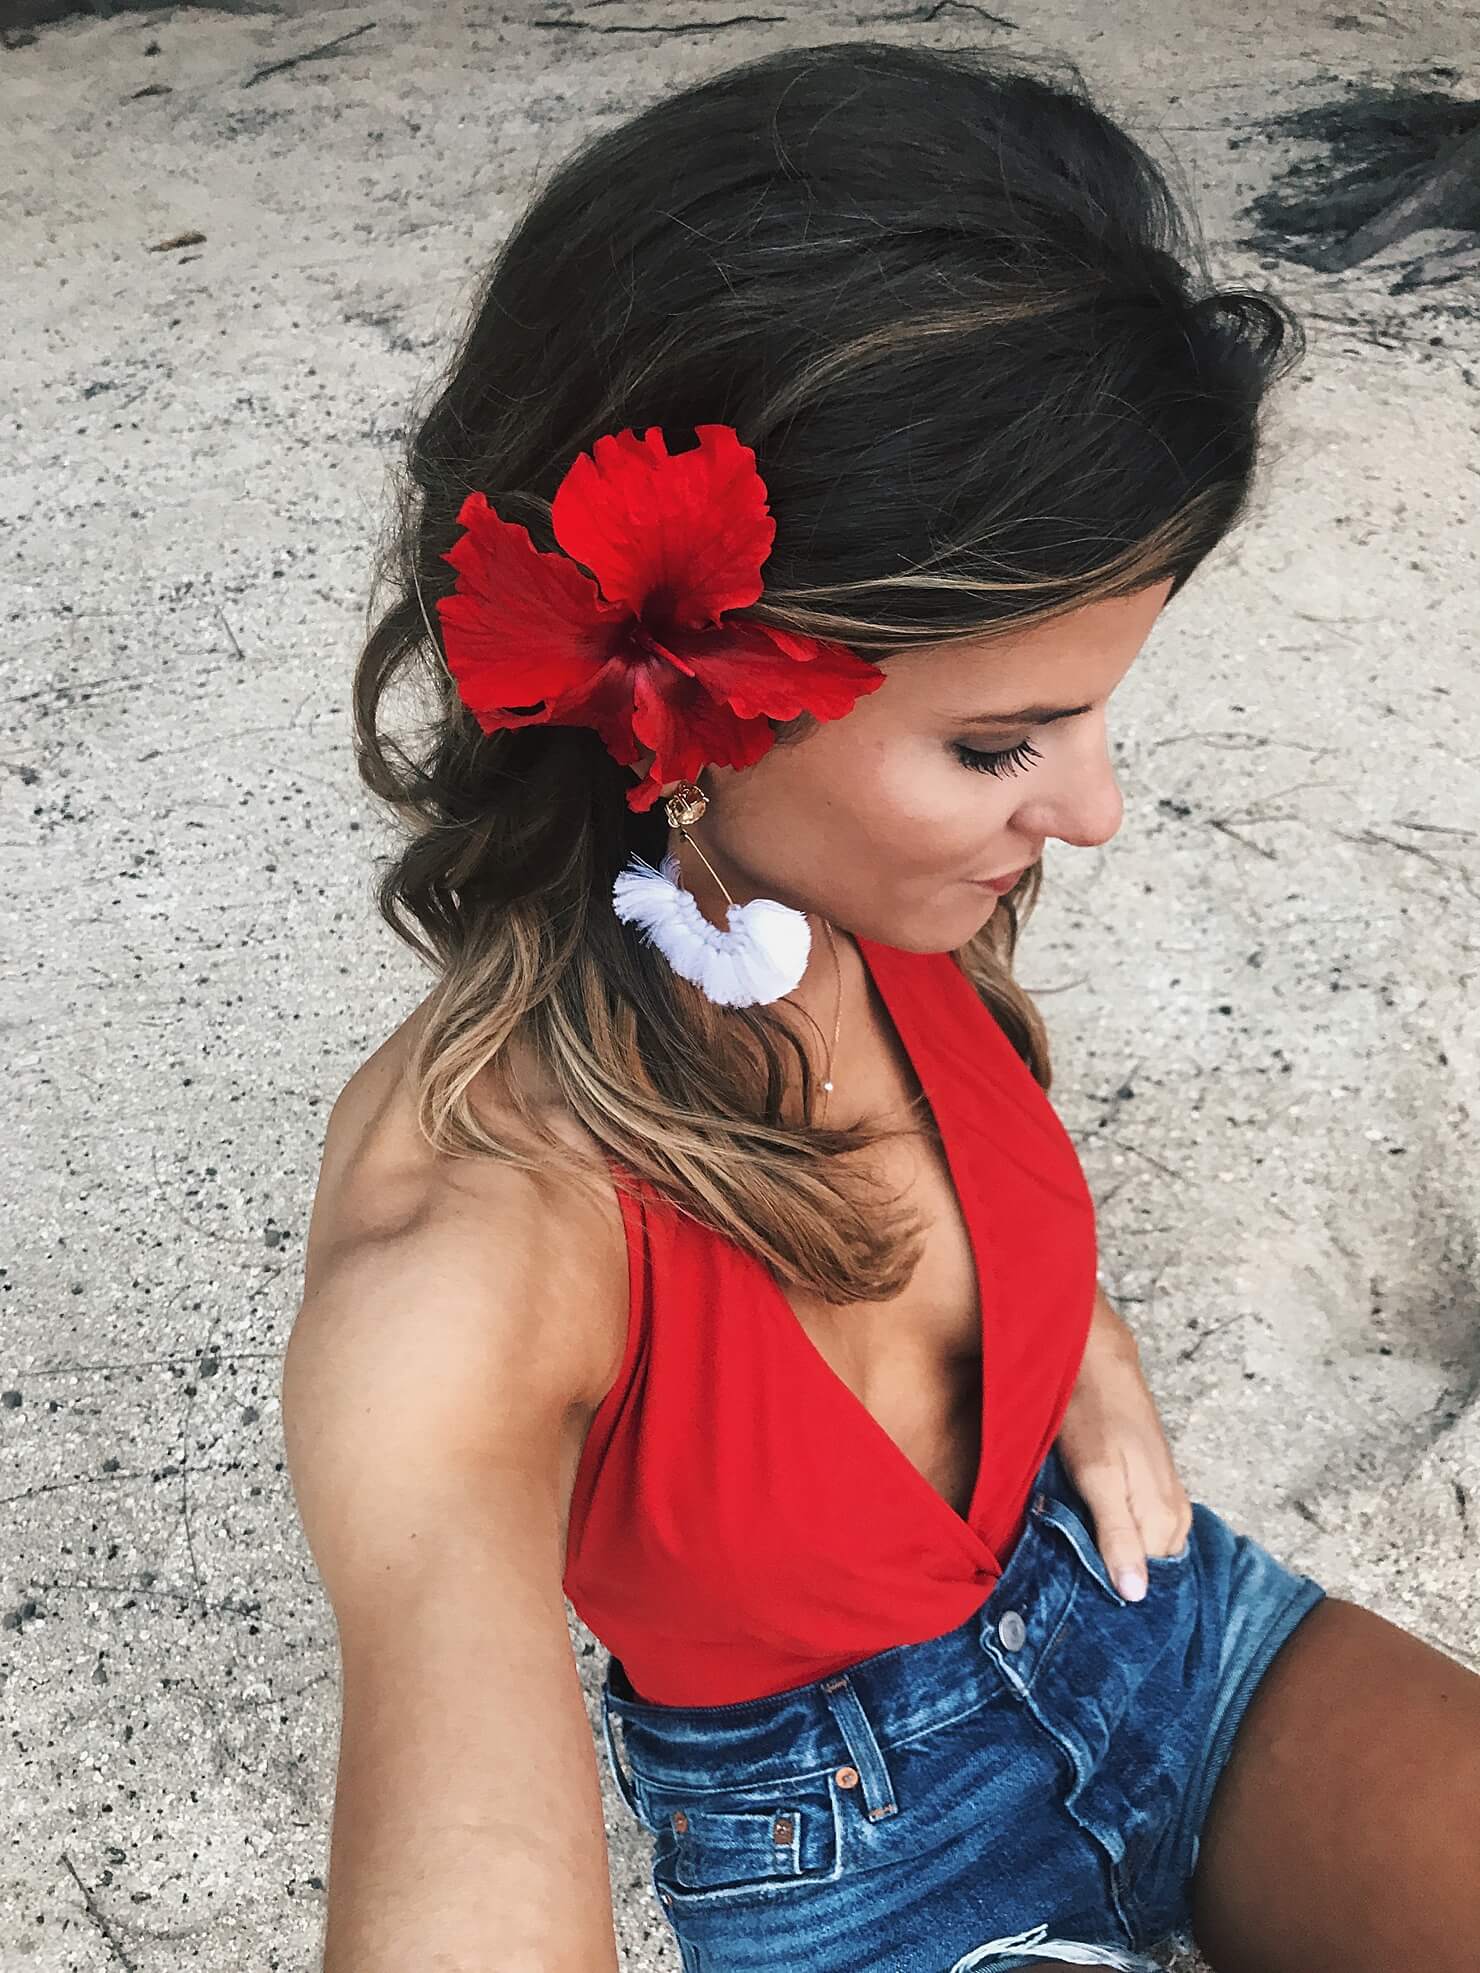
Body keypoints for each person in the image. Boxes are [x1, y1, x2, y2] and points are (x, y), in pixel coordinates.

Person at [279, 37, 1480, 1973]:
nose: (1088, 814)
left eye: (1095, 713)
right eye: (1002, 739)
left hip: (1163, 1631)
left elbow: (955, 1154)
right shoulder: (474, 1233)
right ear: (679, 712)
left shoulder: (869, 885)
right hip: (853, 1865)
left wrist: (1070, 1344)